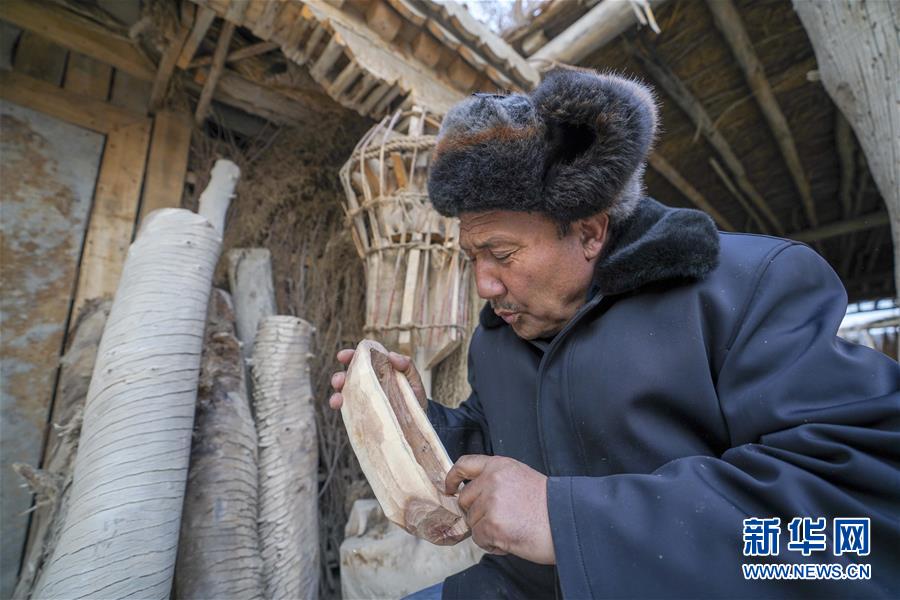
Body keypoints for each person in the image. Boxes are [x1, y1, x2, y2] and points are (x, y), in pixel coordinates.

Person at [329, 67, 900, 599]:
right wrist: (423, 425)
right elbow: (503, 441)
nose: (483, 285)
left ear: (589, 232)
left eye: (501, 254)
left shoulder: (747, 290)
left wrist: (566, 519)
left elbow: (856, 529)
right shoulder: (498, 339)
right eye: (472, 257)